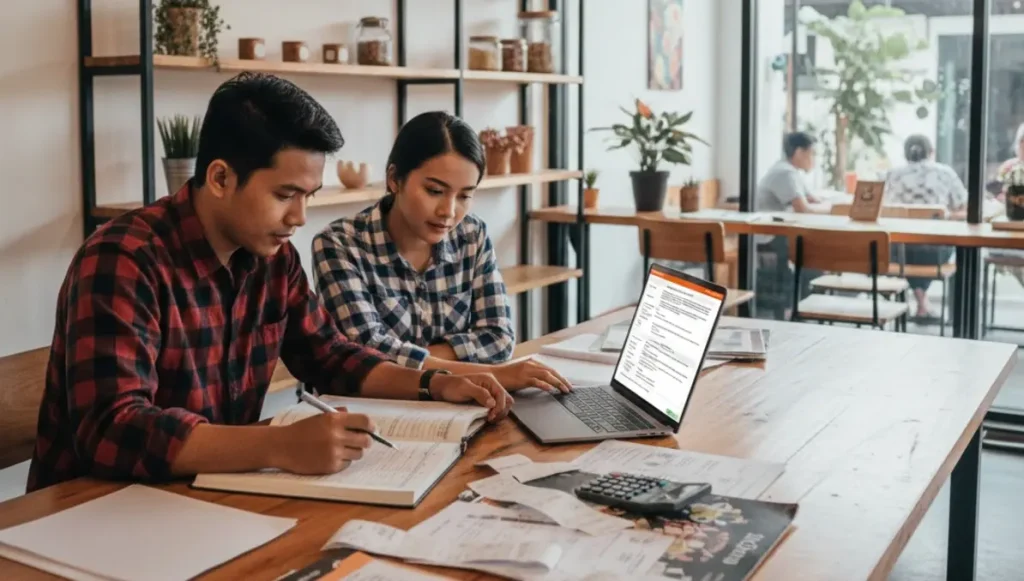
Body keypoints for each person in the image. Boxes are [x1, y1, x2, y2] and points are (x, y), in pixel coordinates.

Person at [27, 73, 513, 493]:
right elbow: (114, 429)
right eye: (285, 194)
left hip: (206, 496)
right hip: (90, 513)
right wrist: (278, 444)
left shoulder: (271, 259)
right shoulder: (124, 258)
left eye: (309, 196)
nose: (300, 217)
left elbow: (330, 355)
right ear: (220, 178)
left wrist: (433, 383)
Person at [311, 111, 571, 393]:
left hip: (462, 406)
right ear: (395, 179)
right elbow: (367, 353)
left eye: (464, 196)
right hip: (370, 410)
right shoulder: (339, 244)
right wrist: (495, 375)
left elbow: (499, 340)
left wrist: (411, 357)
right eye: (435, 191)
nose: (448, 212)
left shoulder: (472, 235)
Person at [883, 134, 966, 319]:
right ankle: (924, 305)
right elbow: (964, 207)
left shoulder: (891, 174)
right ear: (931, 152)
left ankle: (921, 304)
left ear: (905, 154)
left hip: (898, 253)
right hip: (935, 254)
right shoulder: (945, 173)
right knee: (933, 245)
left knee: (907, 249)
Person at [753, 132, 828, 316]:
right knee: (815, 259)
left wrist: (829, 206)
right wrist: (833, 210)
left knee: (815, 255)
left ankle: (800, 310)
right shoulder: (784, 173)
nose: (814, 159)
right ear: (799, 152)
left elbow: (812, 199)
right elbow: (803, 208)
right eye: (812, 153)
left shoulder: (790, 171)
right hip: (769, 237)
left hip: (778, 234)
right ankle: (799, 311)